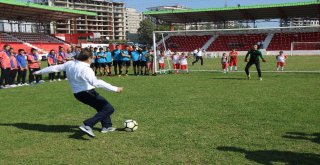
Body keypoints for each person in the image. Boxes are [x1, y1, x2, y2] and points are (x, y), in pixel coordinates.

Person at [33, 48, 124, 137]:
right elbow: (96, 83)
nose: (93, 59)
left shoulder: (70, 63)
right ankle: (88, 124)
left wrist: (38, 72)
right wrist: (115, 88)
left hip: (78, 94)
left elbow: (55, 68)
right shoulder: (86, 69)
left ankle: (107, 126)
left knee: (102, 107)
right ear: (89, 59)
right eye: (92, 58)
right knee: (109, 109)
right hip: (87, 92)